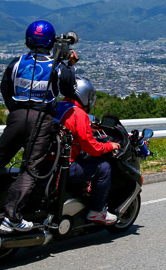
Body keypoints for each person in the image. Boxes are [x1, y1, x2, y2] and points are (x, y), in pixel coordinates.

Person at [0, 20, 78, 233]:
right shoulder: (57, 67)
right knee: (31, 168)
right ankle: (12, 216)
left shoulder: (17, 62)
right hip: (41, 120)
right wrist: (69, 64)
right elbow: (69, 89)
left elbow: (5, 88)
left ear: (28, 39)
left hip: (17, 116)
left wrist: (15, 109)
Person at [54, 77, 120, 224]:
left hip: (49, 164)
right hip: (65, 168)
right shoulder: (78, 114)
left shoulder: (57, 107)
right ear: (84, 95)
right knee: (104, 168)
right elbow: (91, 148)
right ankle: (97, 211)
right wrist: (110, 146)